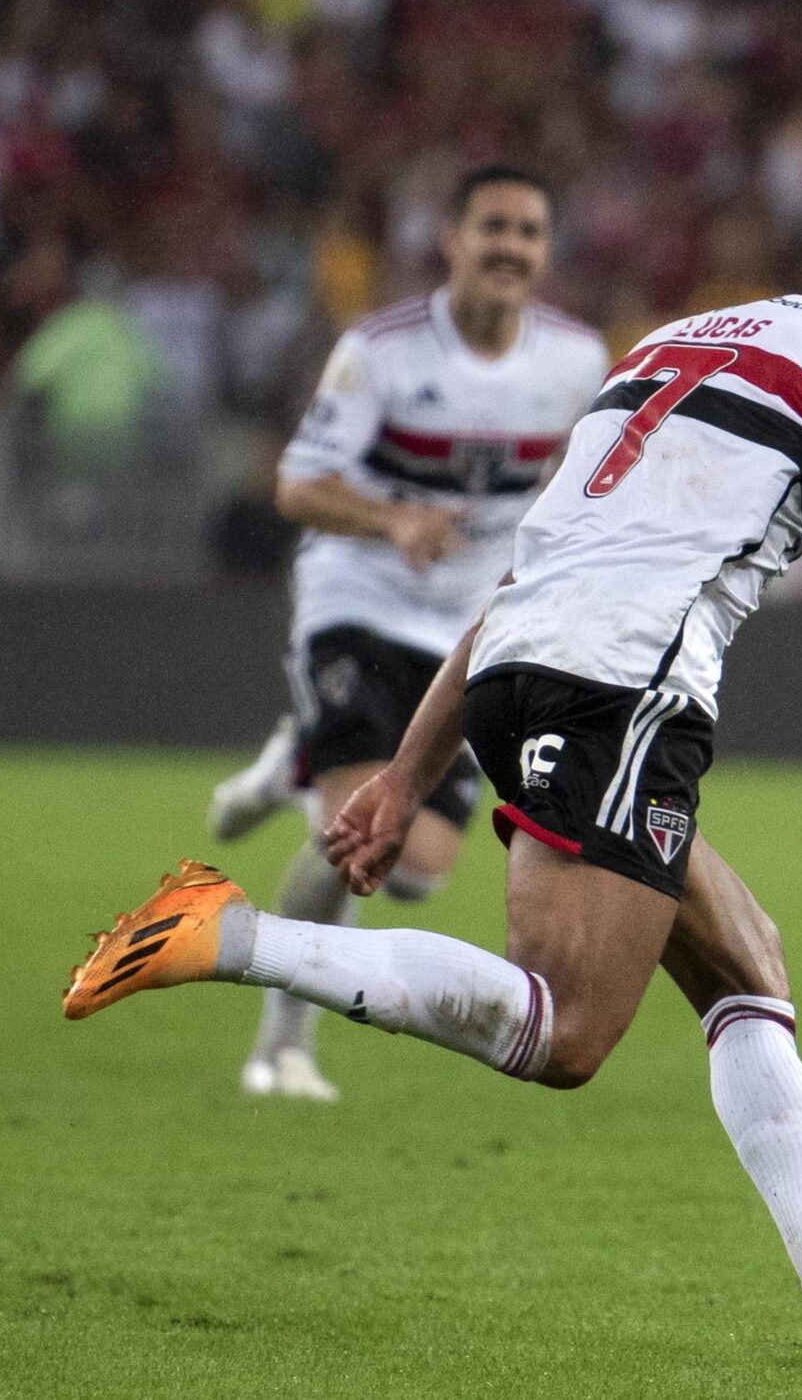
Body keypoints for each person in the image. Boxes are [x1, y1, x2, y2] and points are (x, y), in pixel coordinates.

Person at [66, 174, 802, 1369]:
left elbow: (525, 570)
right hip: (624, 685)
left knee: (745, 964)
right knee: (562, 1031)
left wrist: (400, 778)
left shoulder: (675, 343)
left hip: (515, 666)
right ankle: (231, 939)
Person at [213, 166, 609, 1102]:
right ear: (452, 238)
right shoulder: (380, 351)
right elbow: (297, 485)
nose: (511, 246)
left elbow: (586, 480)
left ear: (546, 252)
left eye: (530, 231)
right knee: (357, 827)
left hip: (477, 626)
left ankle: (288, 763)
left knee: (417, 875)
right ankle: (282, 1043)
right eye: (494, 227)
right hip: (359, 601)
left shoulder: (577, 359)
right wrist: (393, 521)